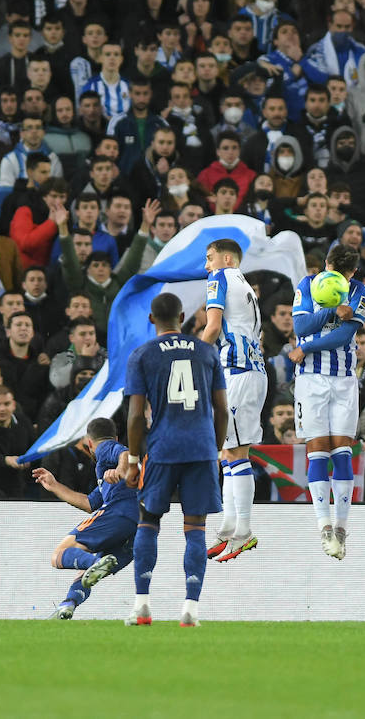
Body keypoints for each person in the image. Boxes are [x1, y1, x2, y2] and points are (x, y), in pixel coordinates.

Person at [118, 292, 228, 628]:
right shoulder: (207, 351)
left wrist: (134, 459)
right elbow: (221, 409)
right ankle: (191, 610)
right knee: (195, 528)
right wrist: (216, 448)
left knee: (147, 521)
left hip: (163, 449)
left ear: (152, 319)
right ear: (182, 317)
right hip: (201, 449)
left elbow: (136, 416)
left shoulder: (142, 355)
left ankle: (142, 607)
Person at [288, 244, 365, 559]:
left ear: (352, 274)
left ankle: (342, 528)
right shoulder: (307, 285)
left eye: (343, 275)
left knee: (342, 449)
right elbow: (300, 327)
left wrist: (306, 347)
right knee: (318, 447)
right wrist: (332, 310)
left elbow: (345, 336)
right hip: (310, 379)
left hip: (345, 379)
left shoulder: (359, 291)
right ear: (326, 266)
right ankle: (324, 527)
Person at [33, 417, 138, 620]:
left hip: (120, 513)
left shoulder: (106, 449)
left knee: (59, 555)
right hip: (139, 528)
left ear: (89, 442)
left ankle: (94, 562)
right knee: (87, 575)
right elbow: (90, 503)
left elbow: (124, 453)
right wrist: (54, 485)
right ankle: (67, 605)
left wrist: (121, 469)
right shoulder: (108, 473)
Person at [200, 238, 266, 563]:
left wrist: (194, 355)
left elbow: (213, 327)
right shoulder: (248, 288)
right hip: (252, 371)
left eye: (209, 258)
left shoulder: (221, 278)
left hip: (238, 372)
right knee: (231, 452)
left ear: (226, 259)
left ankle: (244, 531)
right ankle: (230, 527)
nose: (206, 266)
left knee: (234, 452)